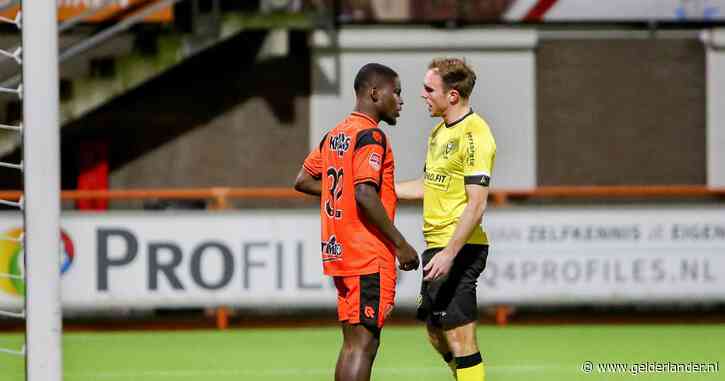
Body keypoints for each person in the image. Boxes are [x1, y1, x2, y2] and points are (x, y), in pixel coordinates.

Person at [294, 62, 420, 381]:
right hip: (367, 253)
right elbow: (365, 194)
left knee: (352, 344)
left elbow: (304, 179)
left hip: (340, 250)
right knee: (364, 345)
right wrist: (401, 244)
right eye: (398, 92)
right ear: (375, 92)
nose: (401, 101)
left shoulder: (336, 133)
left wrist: (344, 190)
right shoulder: (370, 135)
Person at [396, 57, 496, 381]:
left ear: (452, 95)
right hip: (436, 248)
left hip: (461, 249)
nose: (422, 95)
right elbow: (428, 186)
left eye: (429, 89)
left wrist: (450, 253)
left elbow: (476, 205)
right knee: (435, 333)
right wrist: (380, 188)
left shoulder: (475, 134)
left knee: (461, 339)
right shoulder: (438, 133)